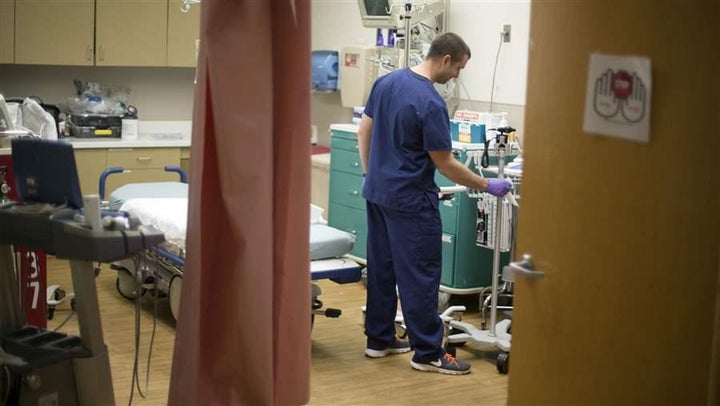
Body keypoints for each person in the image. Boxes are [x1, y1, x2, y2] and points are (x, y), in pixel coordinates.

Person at [357, 32, 513, 375]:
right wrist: (489, 184)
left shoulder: (386, 83)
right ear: (445, 60)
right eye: (459, 67)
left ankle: (378, 339)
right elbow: (445, 163)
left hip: (378, 193)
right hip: (411, 200)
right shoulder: (430, 102)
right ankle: (427, 352)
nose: (457, 74)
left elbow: (363, 131)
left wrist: (372, 175)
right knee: (420, 275)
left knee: (382, 269)